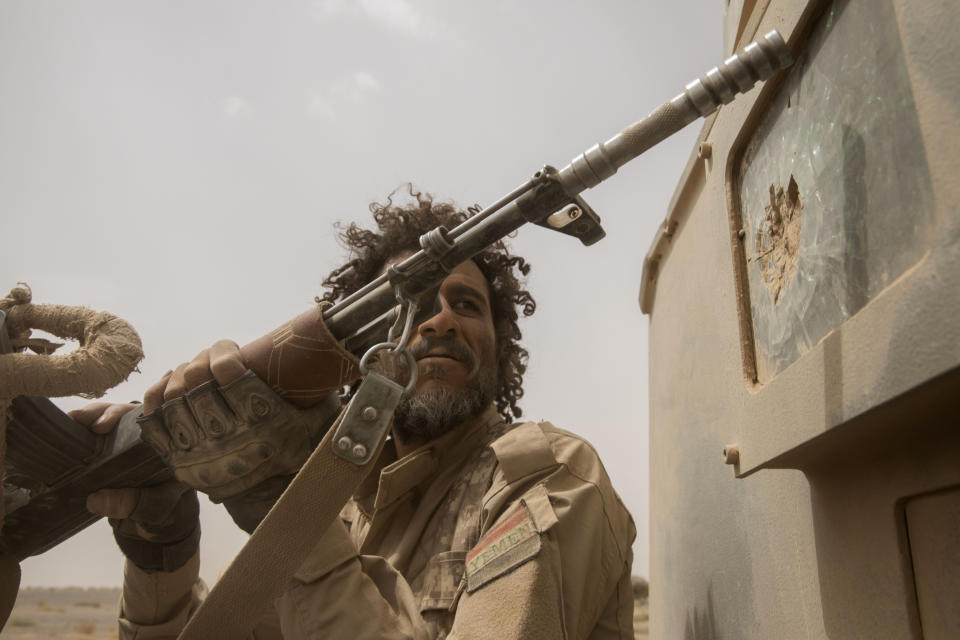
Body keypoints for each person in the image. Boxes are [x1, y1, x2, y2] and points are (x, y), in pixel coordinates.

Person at [73, 189, 636, 639]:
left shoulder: (544, 474)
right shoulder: (342, 501)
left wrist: (293, 513)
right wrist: (163, 549)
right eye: (407, 306)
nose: (439, 321)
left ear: (501, 343)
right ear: (358, 354)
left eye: (465, 304)